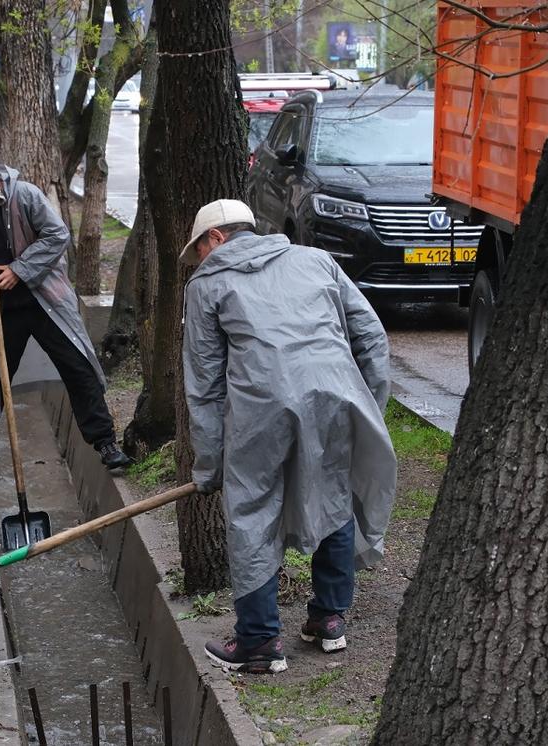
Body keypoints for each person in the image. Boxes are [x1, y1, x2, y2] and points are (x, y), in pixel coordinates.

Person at [179, 199, 396, 674]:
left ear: (215, 238)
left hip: (262, 409)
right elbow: (372, 337)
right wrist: (367, 407)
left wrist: (209, 465)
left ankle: (258, 643)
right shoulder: (314, 258)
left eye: (197, 250)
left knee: (252, 509)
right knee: (334, 492)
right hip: (334, 396)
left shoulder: (209, 283)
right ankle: (329, 619)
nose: (198, 261)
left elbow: (205, 383)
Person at [0, 152, 131, 471]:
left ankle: (106, 443)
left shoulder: (24, 195)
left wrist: (19, 270)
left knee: (77, 364)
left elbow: (57, 235)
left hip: (44, 298)